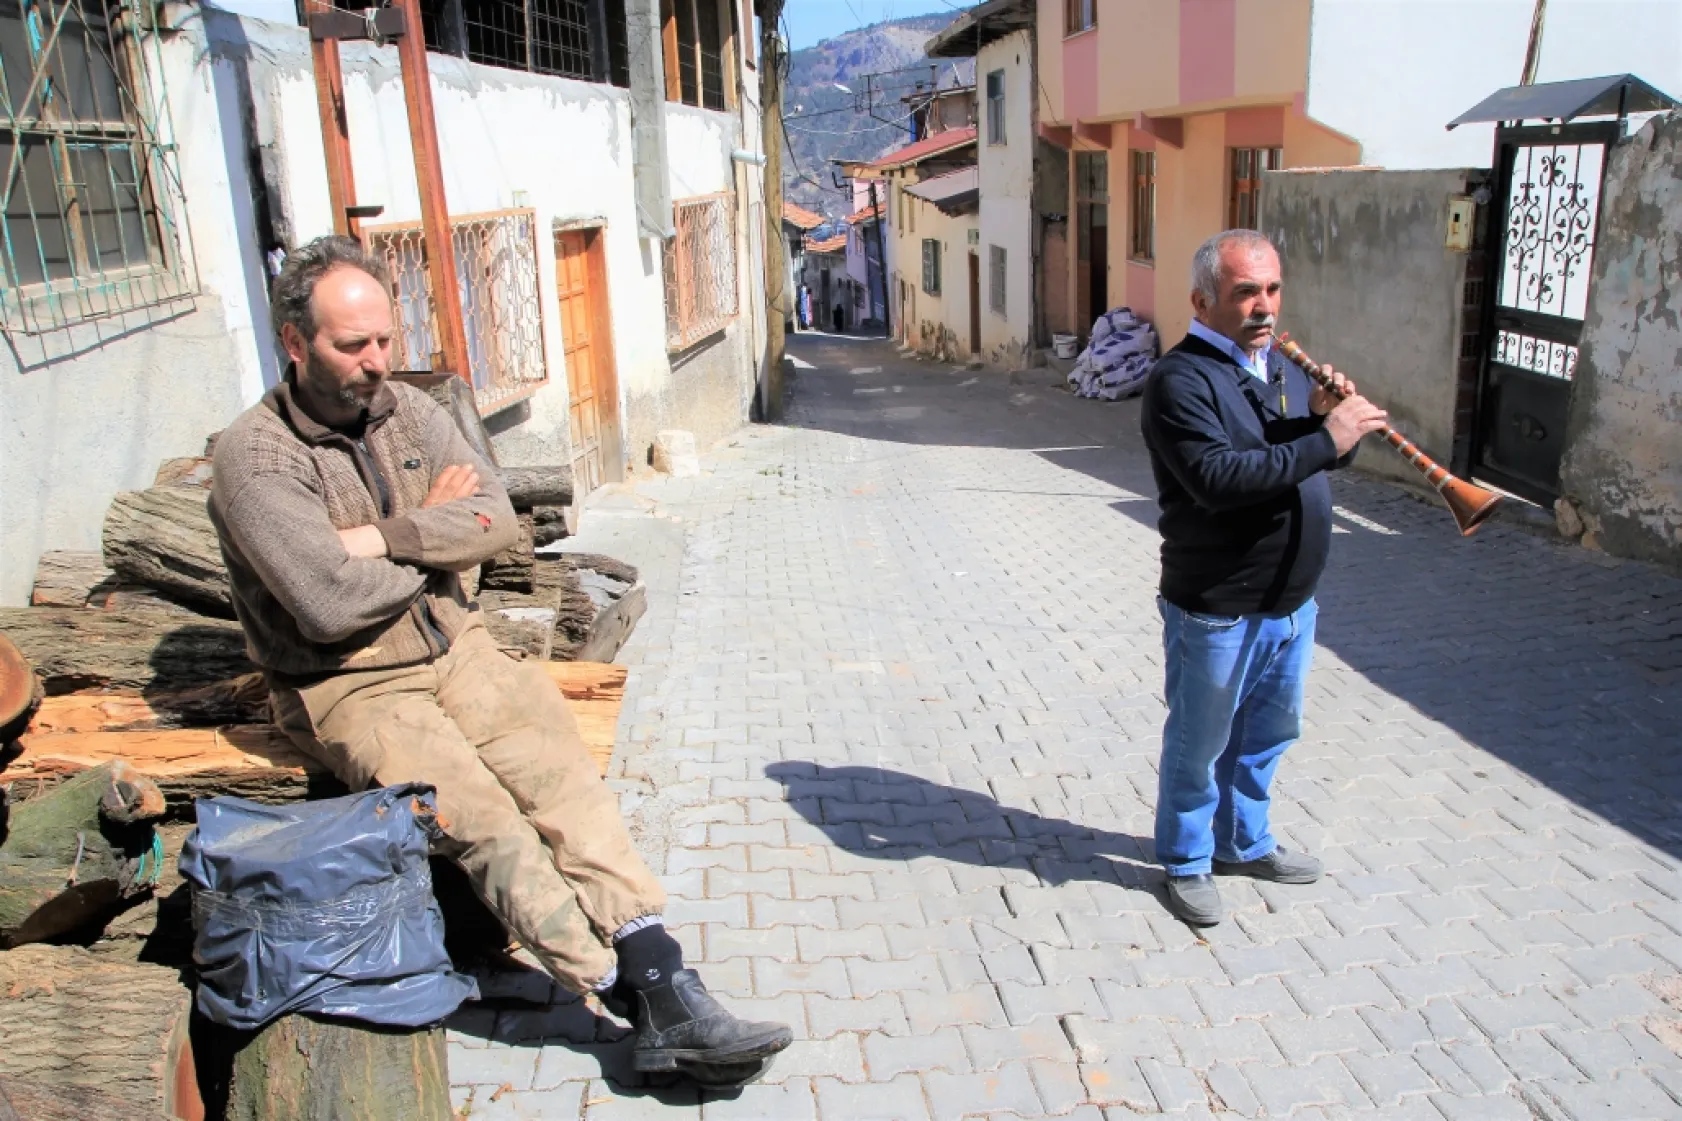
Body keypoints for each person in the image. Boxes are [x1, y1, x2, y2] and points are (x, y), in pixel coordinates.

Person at [208, 235, 791, 1076]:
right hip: (346, 685)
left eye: (385, 338)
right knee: (481, 815)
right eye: (352, 346)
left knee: (558, 772)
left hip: (459, 647)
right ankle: (628, 996)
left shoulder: (410, 411)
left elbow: (499, 519)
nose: (377, 362)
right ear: (295, 344)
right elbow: (327, 603)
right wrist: (438, 544)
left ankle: (660, 961)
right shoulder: (255, 457)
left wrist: (378, 538)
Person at [1138, 229, 1389, 927]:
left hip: (1288, 604)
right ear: (1202, 299)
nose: (1264, 306)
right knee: (1200, 742)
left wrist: (1312, 426)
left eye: (1272, 289)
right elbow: (1219, 477)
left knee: (1268, 736)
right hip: (1218, 606)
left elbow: (1267, 450)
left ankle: (1243, 842)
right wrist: (1325, 438)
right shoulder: (1180, 379)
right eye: (1246, 291)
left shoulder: (1257, 368)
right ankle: (1186, 861)